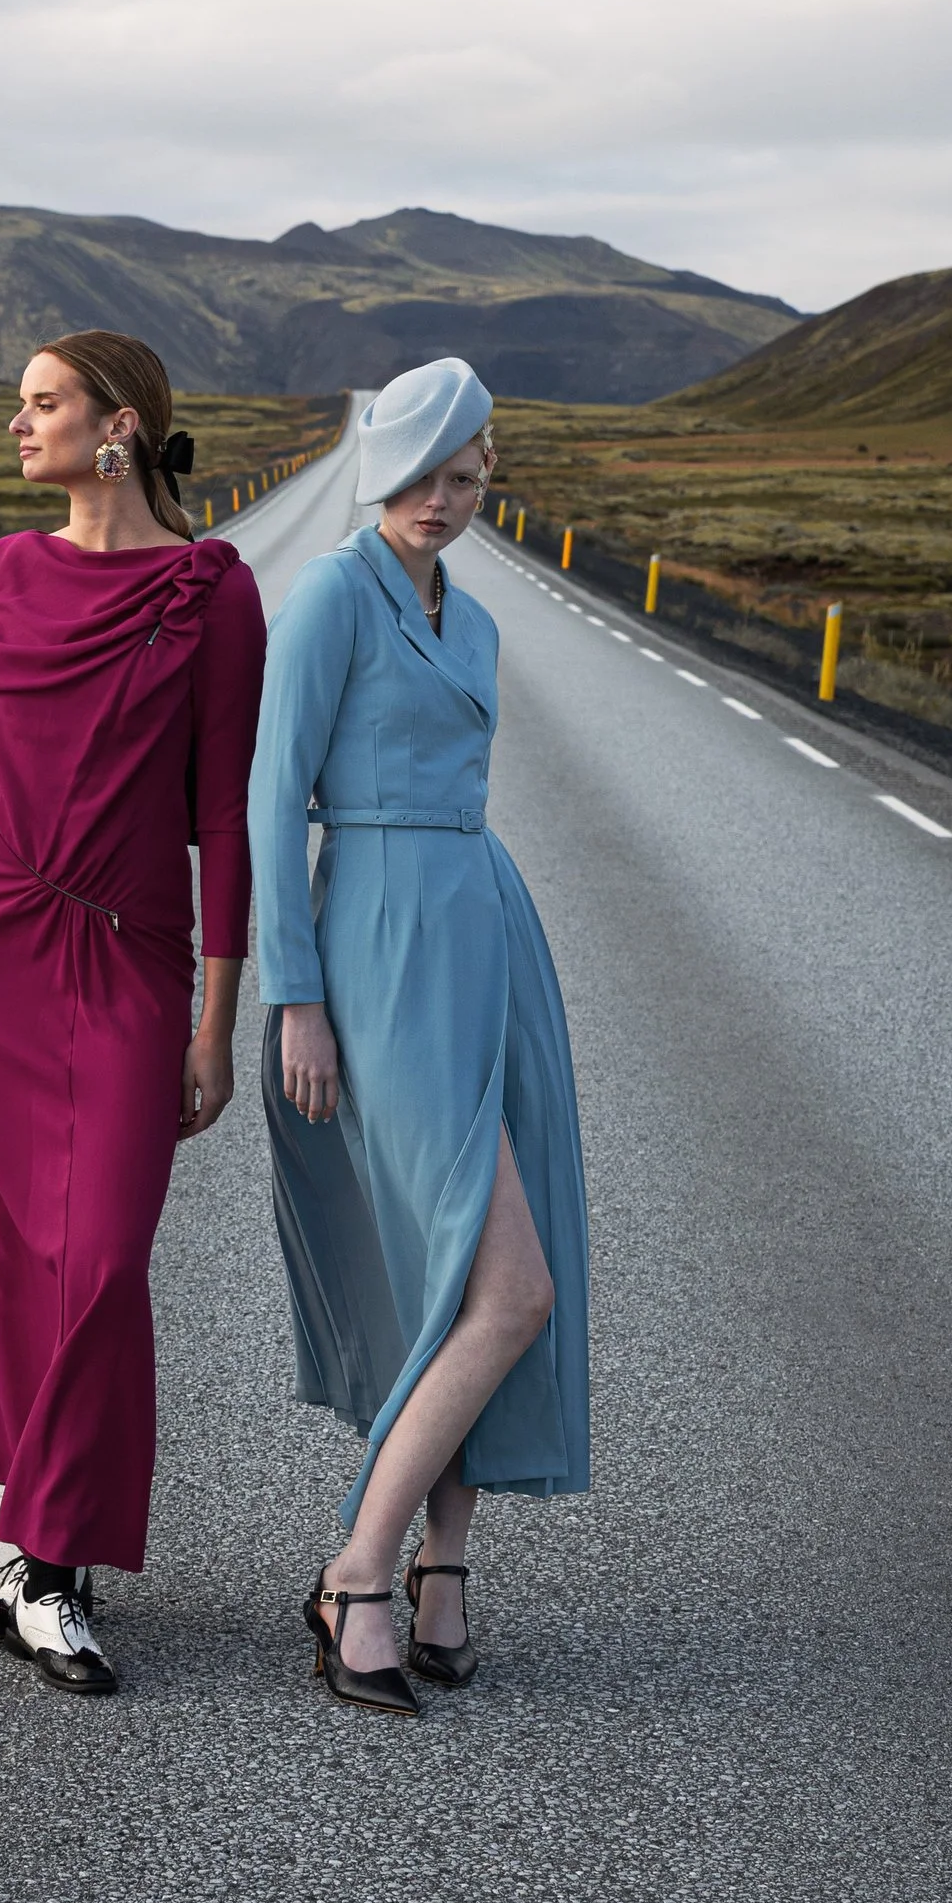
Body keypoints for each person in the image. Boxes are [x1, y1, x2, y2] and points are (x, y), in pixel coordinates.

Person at [0, 331, 264, 1696]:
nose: (16, 425)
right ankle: (41, 1561)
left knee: (98, 1259)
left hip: (127, 960)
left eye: (40, 403)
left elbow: (222, 821)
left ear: (120, 425)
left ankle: (38, 1552)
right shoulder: (1, 572)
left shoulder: (212, 594)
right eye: (19, 405)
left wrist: (217, 1024)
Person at [250, 357, 591, 1715]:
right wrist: (296, 998)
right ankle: (360, 1571)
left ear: (489, 473)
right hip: (378, 941)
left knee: (469, 1277)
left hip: (485, 930)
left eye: (463, 476)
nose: (439, 501)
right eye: (416, 475)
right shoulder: (333, 595)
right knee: (505, 1288)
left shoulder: (480, 624)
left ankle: (446, 1575)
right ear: (380, 467)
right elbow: (276, 801)